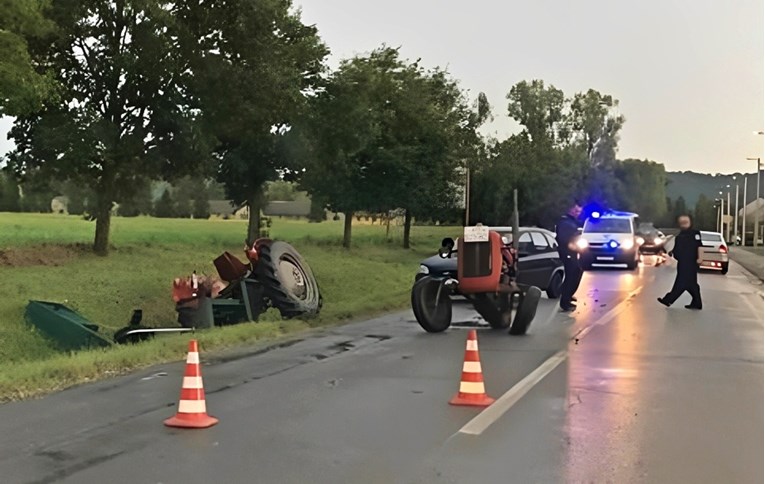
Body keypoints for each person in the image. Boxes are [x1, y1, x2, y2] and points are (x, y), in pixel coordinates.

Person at [658, 214, 703, 310]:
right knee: (691, 284)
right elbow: (677, 249)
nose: (683, 224)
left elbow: (700, 246)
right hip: (682, 262)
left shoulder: (695, 234)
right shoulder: (679, 236)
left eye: (685, 222)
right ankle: (697, 302)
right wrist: (671, 253)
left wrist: (700, 258)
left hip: (691, 262)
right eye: (681, 222)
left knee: (681, 283)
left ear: (690, 222)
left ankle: (668, 299)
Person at [556, 200, 583, 311]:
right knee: (571, 276)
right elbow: (565, 240)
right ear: (570, 209)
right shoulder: (565, 223)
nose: (578, 213)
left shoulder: (572, 222)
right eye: (576, 210)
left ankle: (567, 294)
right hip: (566, 253)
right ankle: (565, 301)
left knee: (577, 272)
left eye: (579, 211)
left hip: (572, 253)